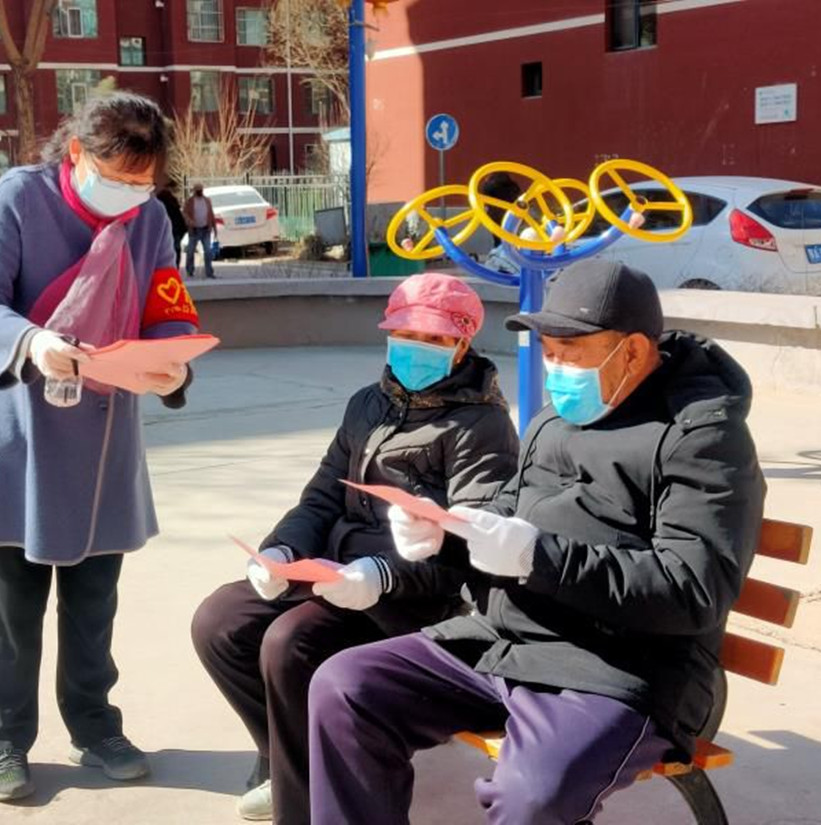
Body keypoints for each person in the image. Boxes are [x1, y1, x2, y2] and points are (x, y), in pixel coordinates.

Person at [307, 259, 766, 825]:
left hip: (617, 668)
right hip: (504, 640)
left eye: (571, 352)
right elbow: (510, 510)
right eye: (549, 351)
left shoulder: (702, 439)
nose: (556, 369)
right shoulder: (554, 420)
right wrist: (447, 534)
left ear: (632, 351)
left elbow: (693, 588)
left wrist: (536, 556)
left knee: (534, 794)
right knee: (345, 686)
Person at [0, 91, 201, 803]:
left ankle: (96, 727)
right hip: (19, 426)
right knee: (13, 607)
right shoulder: (18, 198)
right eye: (118, 177)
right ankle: (5, 741)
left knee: (94, 602)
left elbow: (167, 308)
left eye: (144, 182)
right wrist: (32, 340)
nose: (131, 194)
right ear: (78, 153)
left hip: (103, 431)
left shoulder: (149, 219)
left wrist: (174, 363)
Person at [192, 274, 520, 824]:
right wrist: (281, 551)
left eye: (434, 339)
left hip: (410, 594)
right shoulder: (367, 404)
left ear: (462, 344)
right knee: (220, 621)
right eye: (406, 334)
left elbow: (468, 541)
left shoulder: (480, 425)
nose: (415, 347)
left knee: (289, 643)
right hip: (334, 571)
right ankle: (288, 762)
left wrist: (381, 574)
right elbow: (322, 495)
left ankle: (300, 806)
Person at [184, 182, 217, 279]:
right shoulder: (189, 201)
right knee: (190, 251)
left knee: (208, 251)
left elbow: (211, 214)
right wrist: (190, 221)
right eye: (198, 190)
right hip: (194, 230)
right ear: (194, 191)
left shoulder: (207, 200)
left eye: (201, 190)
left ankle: (209, 272)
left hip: (205, 229)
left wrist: (214, 228)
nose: (199, 192)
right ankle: (190, 271)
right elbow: (185, 213)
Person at [157, 184, 188, 269]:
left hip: (162, 235)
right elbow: (181, 222)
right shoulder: (175, 207)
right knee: (175, 252)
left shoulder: (158, 209)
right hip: (175, 233)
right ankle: (175, 268)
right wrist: (181, 233)